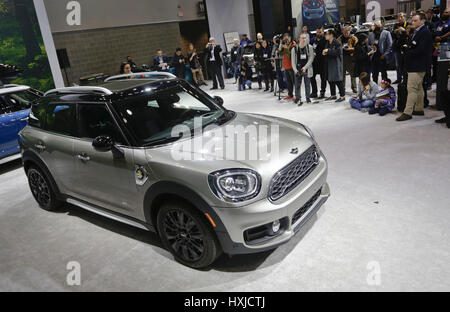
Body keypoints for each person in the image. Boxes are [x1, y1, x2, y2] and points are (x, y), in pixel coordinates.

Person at [397, 12, 433, 122]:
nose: (412, 22)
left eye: (415, 20)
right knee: (419, 87)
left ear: (422, 21)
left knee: (412, 89)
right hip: (416, 64)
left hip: (417, 65)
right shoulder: (418, 31)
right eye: (412, 20)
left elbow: (421, 50)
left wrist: (407, 51)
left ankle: (407, 112)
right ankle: (418, 108)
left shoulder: (424, 32)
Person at [291, 33, 314, 105]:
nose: (304, 39)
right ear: (299, 39)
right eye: (302, 38)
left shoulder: (309, 47)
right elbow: (293, 61)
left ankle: (308, 98)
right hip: (298, 68)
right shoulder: (294, 49)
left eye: (305, 38)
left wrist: (305, 67)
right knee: (297, 84)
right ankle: (297, 97)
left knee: (307, 84)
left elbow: (311, 58)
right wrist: (295, 70)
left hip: (306, 68)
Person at [323, 29, 345, 102]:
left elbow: (338, 52)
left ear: (331, 35)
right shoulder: (327, 42)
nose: (325, 35)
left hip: (336, 63)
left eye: (327, 34)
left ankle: (342, 96)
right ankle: (333, 95)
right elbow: (326, 50)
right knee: (330, 80)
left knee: (338, 80)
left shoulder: (337, 42)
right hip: (329, 63)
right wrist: (325, 53)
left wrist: (328, 51)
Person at [338, 26, 358, 93]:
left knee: (353, 74)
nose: (346, 34)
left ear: (349, 32)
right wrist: (342, 48)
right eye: (344, 32)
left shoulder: (353, 38)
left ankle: (354, 88)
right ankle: (342, 88)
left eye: (347, 32)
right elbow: (336, 48)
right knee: (342, 74)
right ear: (342, 32)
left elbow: (358, 48)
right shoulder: (339, 38)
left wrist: (349, 49)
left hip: (351, 58)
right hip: (342, 58)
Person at [278, 33, 296, 100]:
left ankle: (296, 94)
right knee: (288, 82)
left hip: (292, 66)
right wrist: (280, 44)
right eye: (284, 38)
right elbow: (279, 51)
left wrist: (287, 48)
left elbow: (291, 55)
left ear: (290, 37)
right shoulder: (285, 44)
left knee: (294, 82)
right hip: (286, 66)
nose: (286, 39)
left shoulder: (293, 45)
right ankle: (290, 94)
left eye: (287, 37)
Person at [310, 27, 327, 99]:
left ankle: (322, 92)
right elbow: (310, 47)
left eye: (320, 32)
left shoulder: (325, 40)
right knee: (312, 77)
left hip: (322, 62)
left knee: (323, 78)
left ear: (323, 32)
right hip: (314, 62)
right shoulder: (313, 40)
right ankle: (314, 92)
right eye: (317, 32)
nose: (318, 33)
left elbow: (326, 50)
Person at [392, 13, 409, 84]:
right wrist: (394, 32)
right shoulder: (396, 25)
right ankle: (399, 78)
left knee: (405, 64)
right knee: (398, 65)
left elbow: (409, 34)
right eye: (399, 17)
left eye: (401, 17)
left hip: (405, 47)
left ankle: (405, 79)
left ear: (405, 17)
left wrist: (404, 30)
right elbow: (392, 35)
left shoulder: (408, 24)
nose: (400, 18)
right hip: (397, 47)